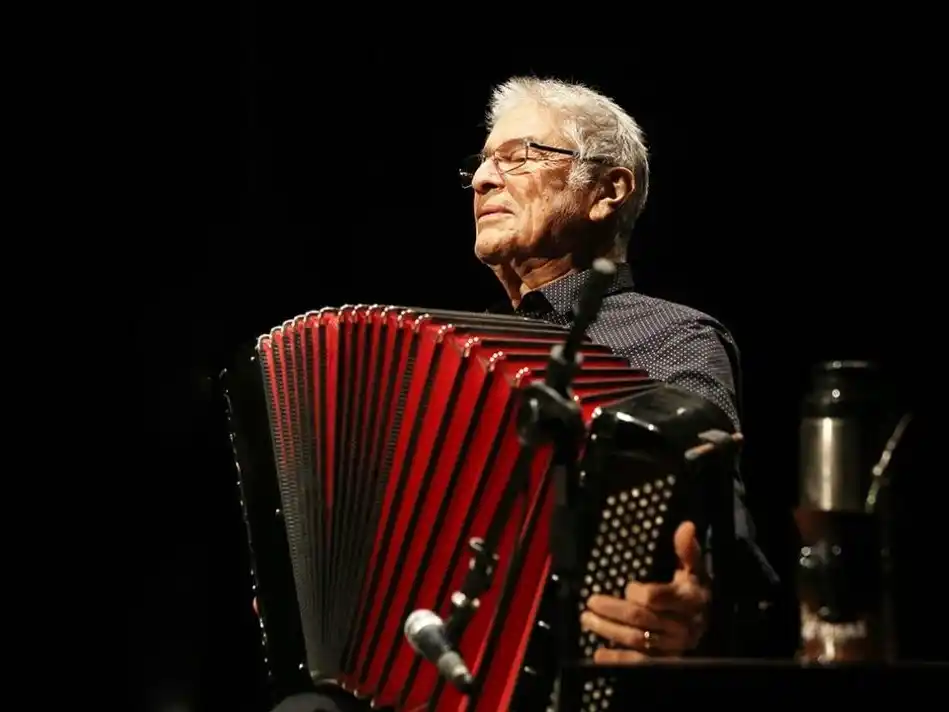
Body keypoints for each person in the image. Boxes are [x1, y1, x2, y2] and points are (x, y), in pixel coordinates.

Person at [266, 75, 778, 712]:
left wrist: (692, 601)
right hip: (420, 677)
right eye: (481, 163)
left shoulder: (673, 337)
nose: (483, 180)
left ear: (608, 191)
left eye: (518, 157)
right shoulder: (443, 361)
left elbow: (723, 536)